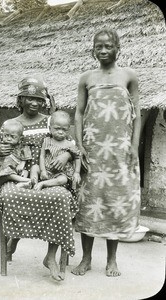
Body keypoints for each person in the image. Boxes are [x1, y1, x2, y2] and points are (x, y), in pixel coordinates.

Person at [0, 76, 78, 281]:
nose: (33, 102)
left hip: (49, 174)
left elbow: (70, 141)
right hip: (19, 175)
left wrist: (66, 154)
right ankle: (14, 237)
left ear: (44, 102)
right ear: (20, 99)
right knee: (10, 196)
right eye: (28, 98)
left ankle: (50, 257)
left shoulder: (51, 120)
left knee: (61, 198)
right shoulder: (10, 123)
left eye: (38, 99)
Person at [72, 28, 141, 277]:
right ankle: (86, 258)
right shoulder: (86, 78)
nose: (103, 50)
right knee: (88, 203)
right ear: (92, 49)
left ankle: (112, 260)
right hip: (92, 149)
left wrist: (133, 147)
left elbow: (137, 114)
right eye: (98, 46)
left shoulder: (129, 76)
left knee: (115, 201)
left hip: (119, 151)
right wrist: (79, 146)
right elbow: (79, 113)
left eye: (108, 46)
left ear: (117, 48)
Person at [31, 110, 81, 191]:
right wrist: (43, 170)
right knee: (34, 167)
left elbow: (77, 157)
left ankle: (43, 183)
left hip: (60, 173)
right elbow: (42, 156)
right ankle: (33, 183)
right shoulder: (46, 141)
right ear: (50, 129)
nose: (60, 132)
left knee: (63, 179)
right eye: (57, 129)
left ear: (68, 130)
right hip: (46, 171)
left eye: (64, 130)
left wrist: (77, 173)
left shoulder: (70, 144)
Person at [0, 119, 32, 188]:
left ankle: (21, 184)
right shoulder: (0, 143)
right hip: (2, 172)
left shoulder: (22, 146)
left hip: (16, 170)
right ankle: (27, 181)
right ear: (3, 134)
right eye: (6, 135)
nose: (8, 139)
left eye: (12, 136)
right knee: (7, 174)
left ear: (20, 138)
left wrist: (22, 164)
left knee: (25, 172)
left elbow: (27, 155)